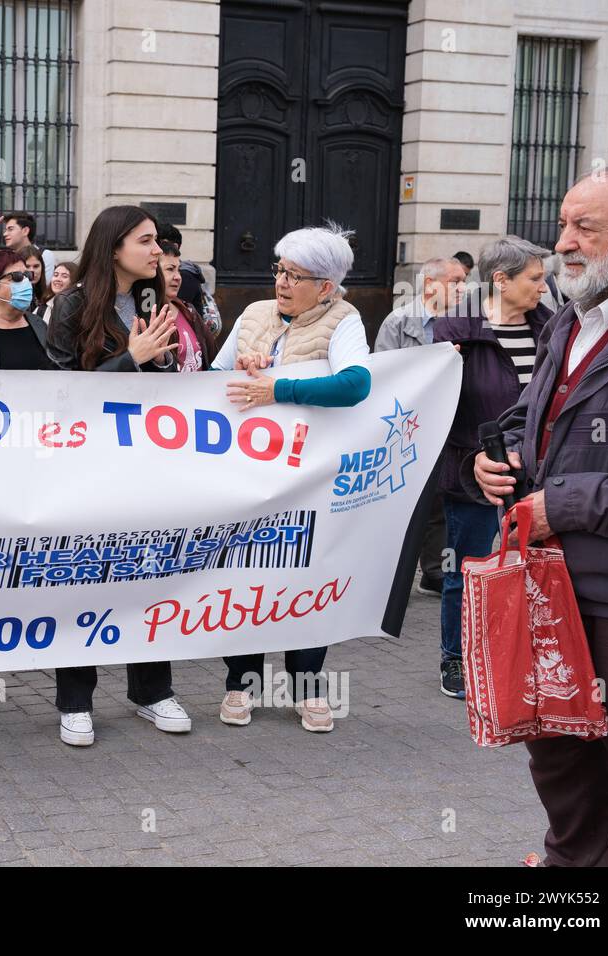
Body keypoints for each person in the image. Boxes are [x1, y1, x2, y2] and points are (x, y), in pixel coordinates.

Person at [470, 163, 608, 866]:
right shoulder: (569, 319)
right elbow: (530, 419)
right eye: (564, 224)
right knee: (559, 759)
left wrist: (566, 504)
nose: (563, 243)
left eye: (586, 227)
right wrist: (494, 460)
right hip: (548, 589)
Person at [215, 222, 372, 733]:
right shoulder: (255, 314)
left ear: (325, 287)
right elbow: (213, 382)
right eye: (279, 271)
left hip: (308, 477)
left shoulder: (344, 319)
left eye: (295, 276)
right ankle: (241, 684)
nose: (281, 283)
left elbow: (355, 384)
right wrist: (242, 365)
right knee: (246, 578)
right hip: (248, 474)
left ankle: (307, 687)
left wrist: (278, 389)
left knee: (305, 576)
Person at [44, 204, 190, 746]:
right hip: (87, 468)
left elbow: (171, 386)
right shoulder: (72, 304)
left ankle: (153, 691)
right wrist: (130, 359)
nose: (159, 251)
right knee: (83, 578)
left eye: (158, 242)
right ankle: (75, 700)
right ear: (113, 248)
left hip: (147, 465)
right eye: (147, 241)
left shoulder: (159, 301)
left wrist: (159, 362)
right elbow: (58, 395)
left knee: (150, 574)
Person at [432, 237, 550, 700]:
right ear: (501, 280)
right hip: (473, 469)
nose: (544, 287)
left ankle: (516, 654)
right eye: (535, 279)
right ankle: (455, 657)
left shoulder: (553, 328)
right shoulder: (456, 331)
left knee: (532, 566)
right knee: (468, 567)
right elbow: (438, 404)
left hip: (537, 472)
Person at [375, 256, 469, 597]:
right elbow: (384, 375)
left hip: (451, 422)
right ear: (431, 284)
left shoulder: (466, 322)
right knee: (406, 503)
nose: (464, 288)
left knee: (440, 501)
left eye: (465, 281)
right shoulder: (398, 321)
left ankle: (434, 572)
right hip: (410, 425)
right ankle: (389, 576)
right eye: (455, 281)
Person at [159, 240, 217, 371]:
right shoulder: (142, 315)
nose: (178, 277)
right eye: (170, 269)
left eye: (178, 270)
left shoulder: (189, 311)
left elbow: (214, 358)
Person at [1, 210, 57, 277]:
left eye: (10, 229)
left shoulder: (44, 255)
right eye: (5, 230)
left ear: (25, 231)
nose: (5, 234)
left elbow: (44, 285)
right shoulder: (5, 258)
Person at [17, 244, 50, 320]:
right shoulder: (13, 297)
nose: (32, 271)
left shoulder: (47, 295)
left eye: (36, 266)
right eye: (27, 266)